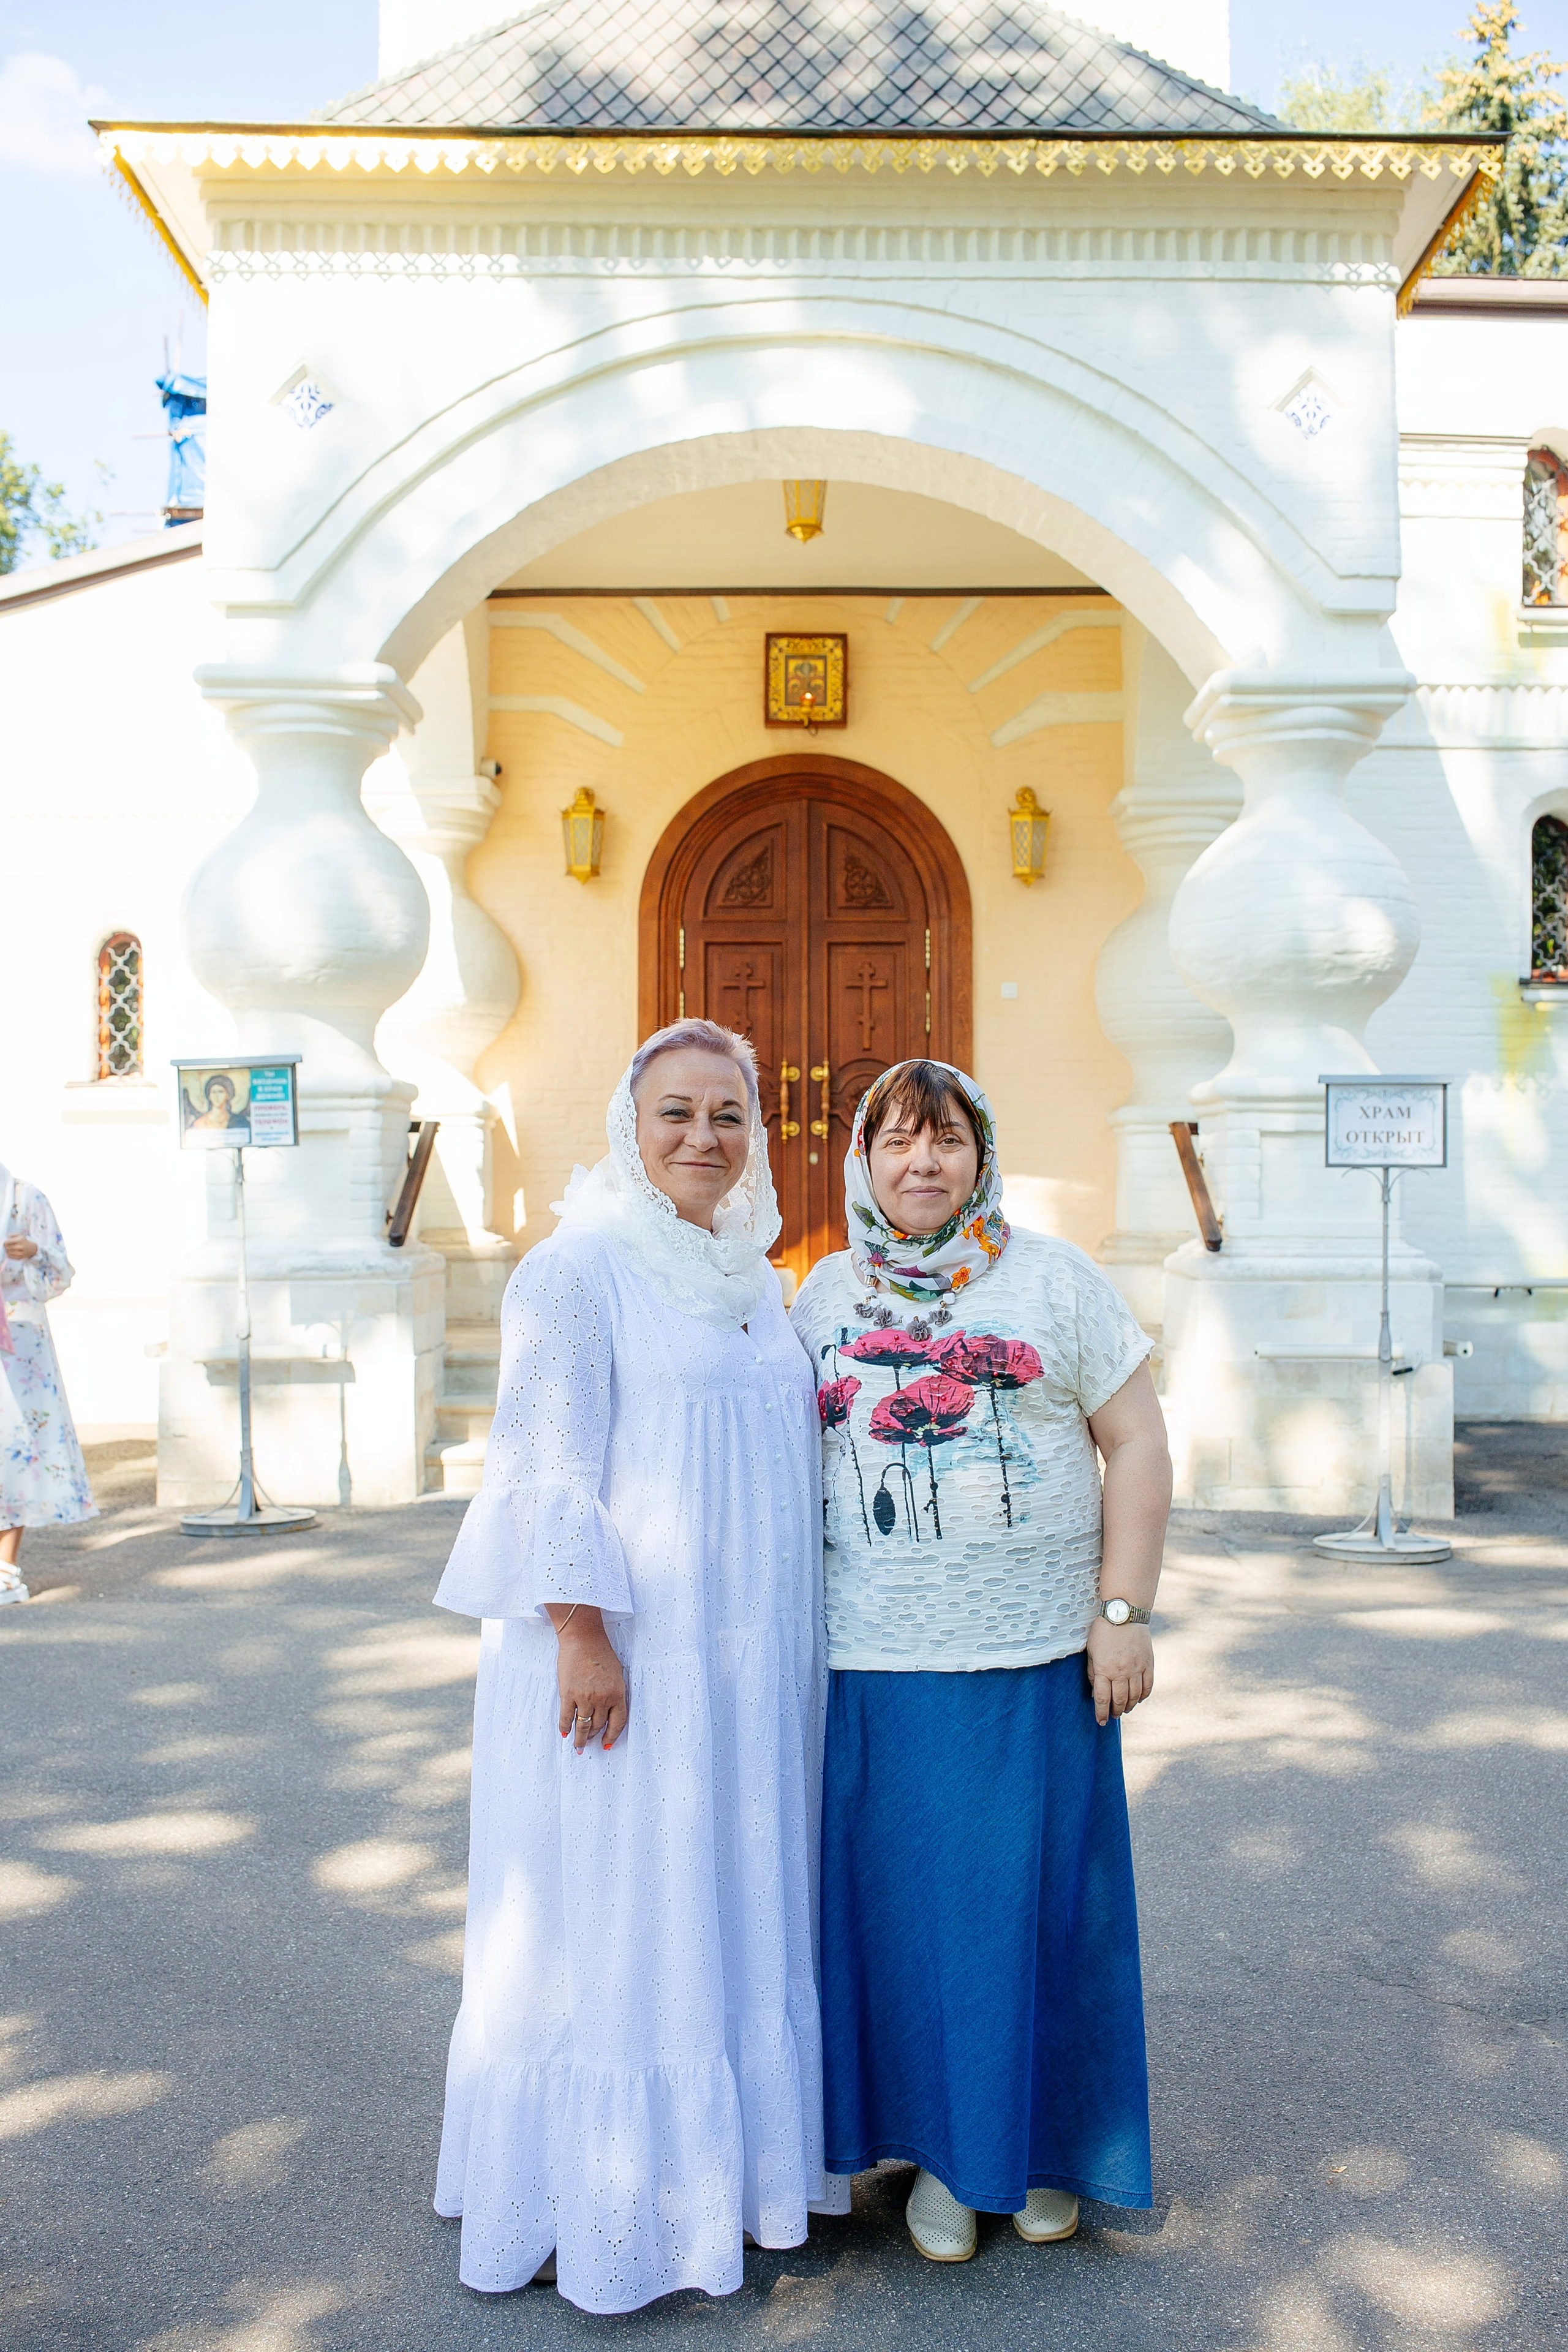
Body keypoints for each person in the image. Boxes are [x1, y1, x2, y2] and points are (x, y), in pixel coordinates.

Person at [431, 1018, 846, 2312]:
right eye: (676, 1112)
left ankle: (725, 2184)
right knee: (614, 1908)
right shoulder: (576, 1270)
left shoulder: (753, 1276)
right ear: (630, 1126)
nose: (702, 1138)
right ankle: (588, 2198)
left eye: (727, 1114)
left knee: (715, 1901)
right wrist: (579, 1633)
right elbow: (545, 1465)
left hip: (745, 1668)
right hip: (627, 1656)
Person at [791, 1059, 1171, 2263]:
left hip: (1038, 1661)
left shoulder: (1056, 1279)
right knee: (915, 1922)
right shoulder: (821, 1296)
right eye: (897, 1141)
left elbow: (1138, 1442)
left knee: (1040, 1912)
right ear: (862, 1160)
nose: (923, 1162)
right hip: (877, 1665)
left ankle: (1045, 2149)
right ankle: (949, 2160)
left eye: (947, 1139)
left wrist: (1124, 1611)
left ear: (982, 1155)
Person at [0, 1162, 97, 1600]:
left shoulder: (24, 1198)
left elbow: (62, 1273)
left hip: (19, 1341)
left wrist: (34, 1251)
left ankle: (5, 1567)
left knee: (17, 1450)